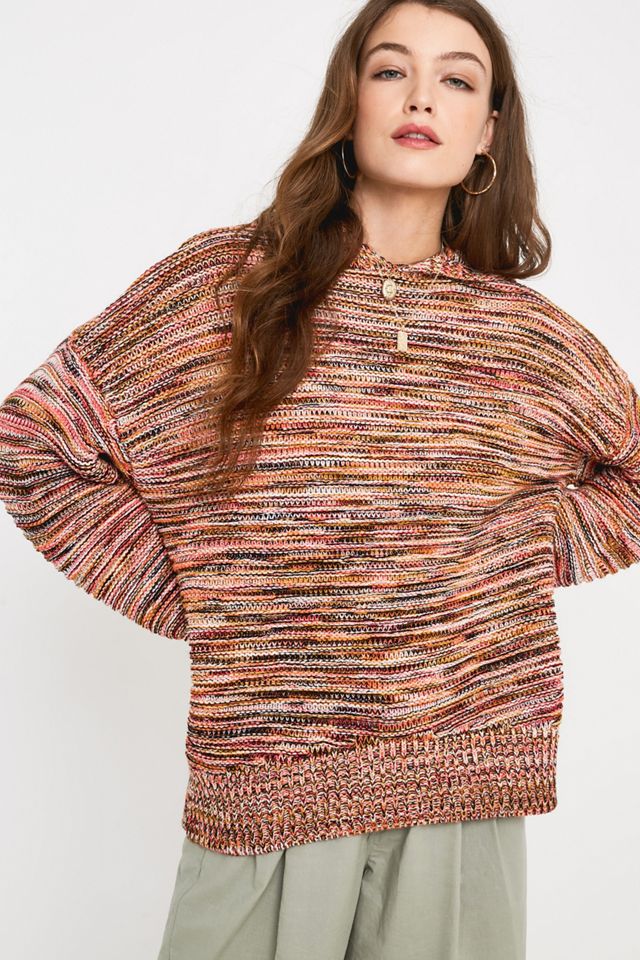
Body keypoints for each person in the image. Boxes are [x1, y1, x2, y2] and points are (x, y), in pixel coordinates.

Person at [1, 2, 639, 959]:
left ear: (487, 133)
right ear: (349, 98)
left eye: (457, 79)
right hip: (268, 781)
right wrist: (203, 588)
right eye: (390, 70)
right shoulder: (224, 287)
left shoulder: (527, 340)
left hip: (461, 786)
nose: (421, 97)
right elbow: (33, 441)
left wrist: (497, 559)